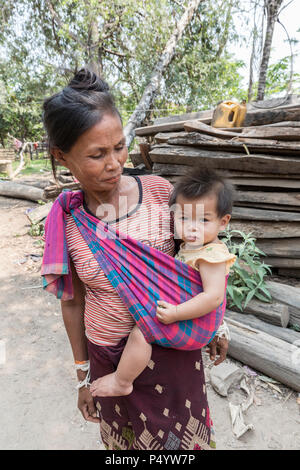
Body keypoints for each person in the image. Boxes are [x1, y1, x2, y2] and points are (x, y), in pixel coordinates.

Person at [41, 68, 229, 451]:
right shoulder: (66, 218)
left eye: (119, 146)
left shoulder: (162, 194)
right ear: (61, 156)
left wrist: (219, 325)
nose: (115, 163)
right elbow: (73, 301)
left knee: (182, 446)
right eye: (97, 154)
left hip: (172, 346)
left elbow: (196, 264)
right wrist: (82, 377)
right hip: (110, 358)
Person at [89, 168, 235, 398]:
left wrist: (176, 312)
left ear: (223, 222)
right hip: (190, 312)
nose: (192, 227)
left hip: (195, 320)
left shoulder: (211, 256)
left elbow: (214, 296)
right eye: (184, 218)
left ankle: (122, 381)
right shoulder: (195, 246)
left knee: (141, 333)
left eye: (203, 220)